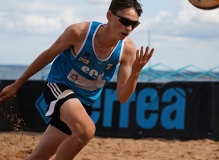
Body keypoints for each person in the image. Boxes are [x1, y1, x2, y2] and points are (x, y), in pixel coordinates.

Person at [0, 0, 154, 159]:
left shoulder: (127, 49)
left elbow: (122, 97)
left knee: (38, 157)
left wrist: (135, 72)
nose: (129, 28)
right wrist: (16, 85)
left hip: (83, 101)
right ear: (109, 16)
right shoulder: (79, 32)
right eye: (125, 21)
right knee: (86, 131)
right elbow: (47, 56)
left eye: (134, 24)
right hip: (60, 85)